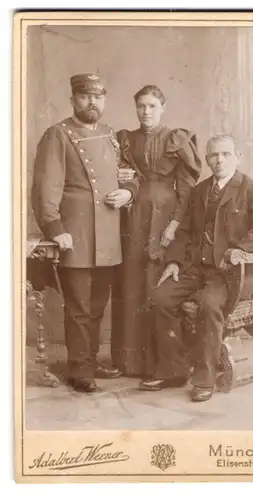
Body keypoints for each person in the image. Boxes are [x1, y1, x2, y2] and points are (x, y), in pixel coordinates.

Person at [141, 134, 253, 402]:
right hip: (198, 268)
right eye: (213, 155)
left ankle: (204, 378)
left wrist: (241, 249)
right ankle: (174, 369)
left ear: (237, 157)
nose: (219, 160)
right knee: (160, 299)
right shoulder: (200, 191)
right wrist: (173, 262)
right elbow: (184, 232)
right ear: (207, 159)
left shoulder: (250, 189)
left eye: (225, 154)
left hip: (234, 274)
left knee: (209, 305)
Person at [31, 73, 138, 393]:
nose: (92, 102)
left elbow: (131, 176)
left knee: (97, 305)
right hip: (74, 235)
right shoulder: (58, 134)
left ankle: (88, 360)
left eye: (99, 97)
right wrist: (55, 228)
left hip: (107, 235)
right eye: (85, 96)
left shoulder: (110, 135)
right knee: (79, 307)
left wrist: (128, 193)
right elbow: (44, 189)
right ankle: (80, 370)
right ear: (73, 99)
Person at [111, 85, 202, 377]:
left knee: (158, 280)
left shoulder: (175, 138)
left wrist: (175, 223)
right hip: (134, 214)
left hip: (166, 215)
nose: (146, 112)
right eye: (141, 106)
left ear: (163, 107)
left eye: (151, 106)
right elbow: (116, 174)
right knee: (133, 281)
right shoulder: (126, 139)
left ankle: (161, 363)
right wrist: (122, 176)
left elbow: (188, 189)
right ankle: (132, 363)